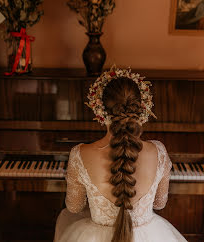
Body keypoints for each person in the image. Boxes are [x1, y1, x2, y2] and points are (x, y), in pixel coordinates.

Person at [54, 66, 187, 242]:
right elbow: (160, 204)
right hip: (151, 235)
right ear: (142, 108)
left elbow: (74, 207)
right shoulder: (159, 151)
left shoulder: (80, 154)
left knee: (64, 217)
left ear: (99, 109)